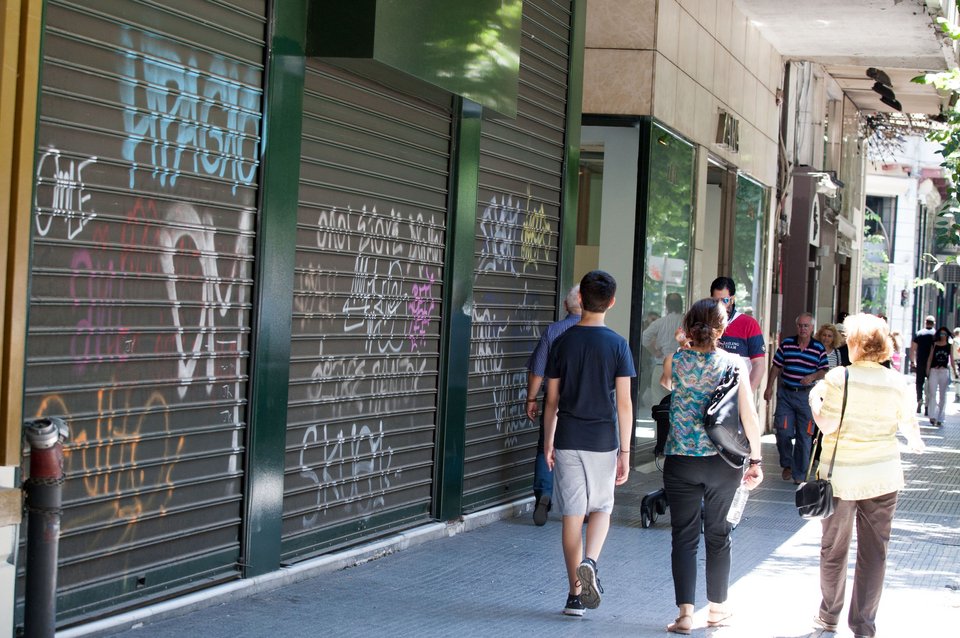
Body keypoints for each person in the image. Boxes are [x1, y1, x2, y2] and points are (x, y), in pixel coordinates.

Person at [808, 313, 924, 638]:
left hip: (841, 478)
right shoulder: (897, 382)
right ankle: (863, 625)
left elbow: (827, 425)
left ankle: (829, 616)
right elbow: (910, 429)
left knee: (834, 549)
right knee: (875, 554)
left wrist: (813, 400)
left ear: (855, 344)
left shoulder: (838, 378)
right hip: (884, 478)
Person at [662, 298, 764, 635]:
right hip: (723, 463)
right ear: (722, 330)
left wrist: (683, 345)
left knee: (684, 537)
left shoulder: (675, 360)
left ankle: (685, 615)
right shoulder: (734, 364)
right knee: (718, 535)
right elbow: (749, 416)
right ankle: (717, 610)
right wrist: (756, 459)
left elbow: (667, 385)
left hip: (680, 461)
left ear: (689, 326)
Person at [542, 270, 635, 617]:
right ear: (611, 302)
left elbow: (551, 400)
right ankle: (591, 562)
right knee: (602, 509)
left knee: (571, 516)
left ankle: (574, 596)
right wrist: (625, 450)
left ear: (580, 299)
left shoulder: (562, 342)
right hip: (602, 440)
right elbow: (624, 403)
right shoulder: (618, 345)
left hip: (567, 436)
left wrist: (548, 442)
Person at [525, 286, 581, 526]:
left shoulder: (553, 331)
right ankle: (580, 505)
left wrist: (531, 398)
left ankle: (543, 494)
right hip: (585, 405)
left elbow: (538, 370)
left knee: (544, 446)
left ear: (566, 306)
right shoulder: (598, 333)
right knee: (580, 452)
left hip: (554, 401)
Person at [764, 312, 828, 484]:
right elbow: (776, 366)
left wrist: (813, 376)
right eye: (800, 325)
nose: (803, 329)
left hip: (807, 396)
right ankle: (787, 463)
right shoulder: (787, 344)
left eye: (806, 326)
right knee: (783, 431)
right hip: (786, 394)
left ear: (812, 328)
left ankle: (800, 475)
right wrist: (769, 387)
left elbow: (824, 370)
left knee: (804, 436)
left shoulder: (818, 348)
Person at [710, 277, 766, 391]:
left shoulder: (749, 324)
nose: (720, 305)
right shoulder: (704, 322)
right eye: (716, 301)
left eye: (724, 300)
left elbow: (759, 365)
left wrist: (747, 395)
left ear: (732, 299)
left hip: (737, 393)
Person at [641, 292, 684, 406]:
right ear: (681, 305)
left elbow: (644, 337)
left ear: (667, 306)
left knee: (659, 407)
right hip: (681, 369)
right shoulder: (687, 322)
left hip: (661, 367)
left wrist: (654, 352)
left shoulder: (660, 322)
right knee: (679, 408)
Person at [925, 326, 953, 427]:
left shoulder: (950, 346)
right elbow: (930, 358)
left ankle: (940, 417)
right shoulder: (935, 345)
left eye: (944, 334)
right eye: (941, 334)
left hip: (944, 371)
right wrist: (927, 370)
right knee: (932, 393)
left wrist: (954, 372)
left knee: (943, 395)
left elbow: (952, 360)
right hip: (934, 370)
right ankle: (932, 416)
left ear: (947, 335)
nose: (943, 336)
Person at [910, 315, 936, 413]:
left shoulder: (919, 333)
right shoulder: (935, 334)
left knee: (919, 383)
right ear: (934, 323)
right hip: (932, 364)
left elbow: (913, 349)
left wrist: (913, 362)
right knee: (930, 384)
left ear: (925, 322)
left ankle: (919, 400)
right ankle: (927, 405)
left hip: (920, 362)